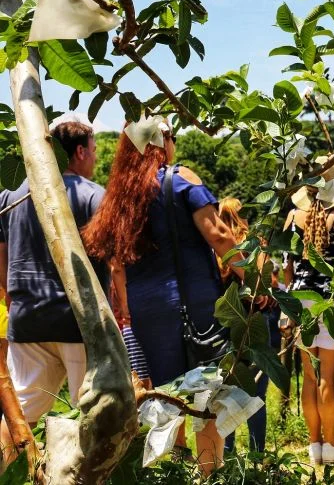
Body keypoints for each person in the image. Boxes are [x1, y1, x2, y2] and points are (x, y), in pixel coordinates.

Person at [82, 122, 260, 475]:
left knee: (168, 395)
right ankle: (210, 473)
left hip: (148, 312)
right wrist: (258, 283)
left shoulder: (120, 195)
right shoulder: (179, 179)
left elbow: (116, 264)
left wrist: (129, 314)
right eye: (172, 137)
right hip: (192, 307)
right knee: (207, 396)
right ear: (163, 142)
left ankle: (178, 472)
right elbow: (220, 236)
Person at [0, 122, 106, 461]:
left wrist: (9, 292)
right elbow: (113, 262)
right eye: (93, 150)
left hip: (27, 320)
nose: (94, 157)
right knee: (91, 413)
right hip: (77, 321)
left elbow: (0, 254)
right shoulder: (91, 194)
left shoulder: (13, 196)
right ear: (79, 152)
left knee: (21, 413)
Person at [283, 158, 334, 465]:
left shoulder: (294, 215)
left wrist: (290, 308)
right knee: (327, 378)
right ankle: (331, 446)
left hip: (302, 302)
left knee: (308, 376)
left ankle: (313, 445)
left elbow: (287, 269)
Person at [216, 197, 272, 453]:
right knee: (256, 394)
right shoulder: (256, 244)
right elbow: (265, 283)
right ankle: (257, 455)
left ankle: (227, 455)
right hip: (255, 324)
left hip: (225, 326)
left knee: (226, 393)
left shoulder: (215, 248)